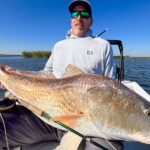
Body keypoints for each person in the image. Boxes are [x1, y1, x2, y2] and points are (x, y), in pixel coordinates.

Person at [0, 0, 122, 150]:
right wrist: (12, 73)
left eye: (84, 14)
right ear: (71, 20)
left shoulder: (102, 45)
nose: (79, 17)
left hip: (87, 121)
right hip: (46, 115)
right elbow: (45, 75)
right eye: (75, 14)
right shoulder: (59, 45)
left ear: (91, 20)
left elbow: (111, 87)